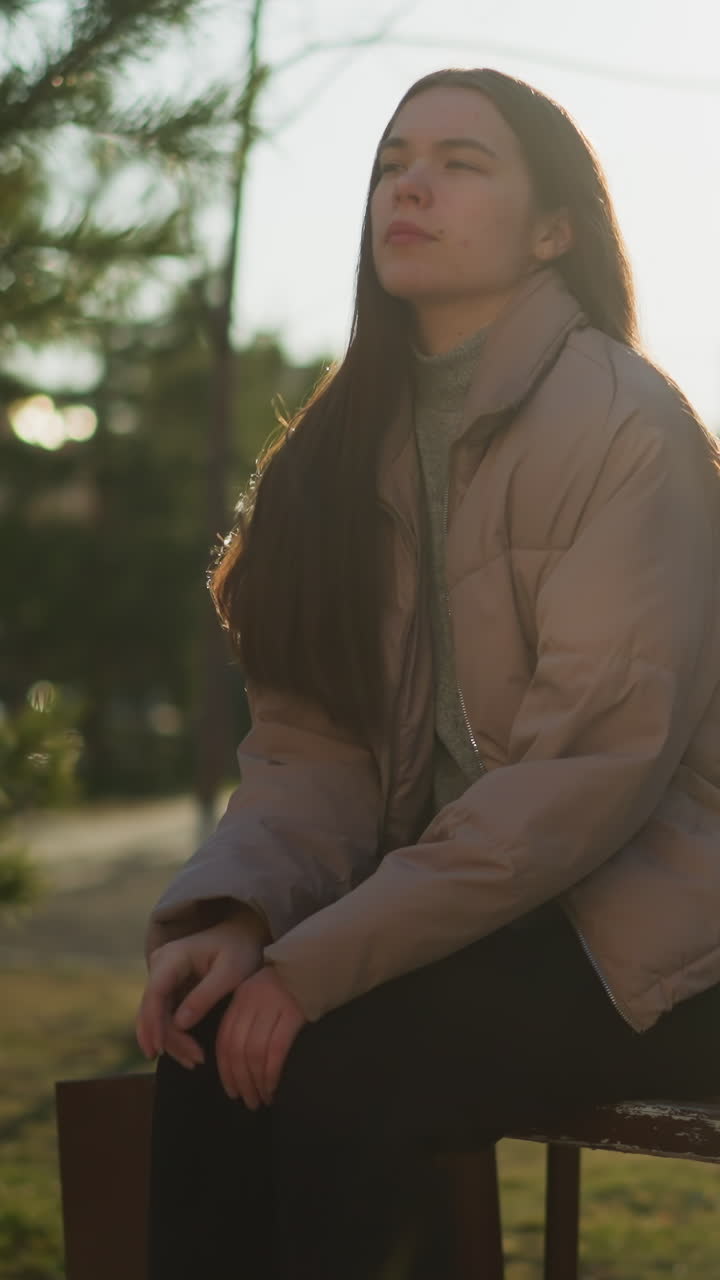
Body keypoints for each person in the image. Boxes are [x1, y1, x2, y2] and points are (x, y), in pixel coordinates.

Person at [135, 66, 720, 1279]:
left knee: (343, 1067)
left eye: (462, 163)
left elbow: (581, 778)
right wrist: (245, 915)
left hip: (665, 941)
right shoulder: (336, 454)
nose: (410, 184)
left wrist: (315, 964)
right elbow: (314, 751)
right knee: (205, 1042)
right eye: (394, 162)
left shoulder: (627, 426)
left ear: (553, 230)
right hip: (478, 923)